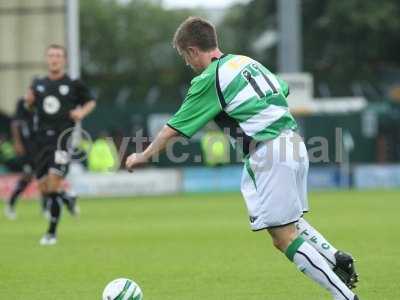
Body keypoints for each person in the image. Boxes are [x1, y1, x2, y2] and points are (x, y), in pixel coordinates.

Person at [126, 17, 360, 300]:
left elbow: (172, 129)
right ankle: (334, 256)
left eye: (184, 57)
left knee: (283, 237)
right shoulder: (246, 62)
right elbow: (282, 89)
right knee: (287, 222)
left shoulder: (209, 78)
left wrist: (144, 155)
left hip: (270, 152)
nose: (187, 64)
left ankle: (345, 297)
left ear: (191, 50)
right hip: (293, 143)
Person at [27, 44, 96, 245]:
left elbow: (91, 101)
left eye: (58, 55)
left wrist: (81, 113)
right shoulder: (38, 83)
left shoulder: (73, 84)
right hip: (41, 142)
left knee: (54, 182)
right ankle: (67, 198)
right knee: (43, 188)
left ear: (64, 60)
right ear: (47, 59)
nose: (54, 59)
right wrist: (28, 100)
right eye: (51, 55)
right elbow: (29, 104)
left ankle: (51, 233)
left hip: (62, 139)